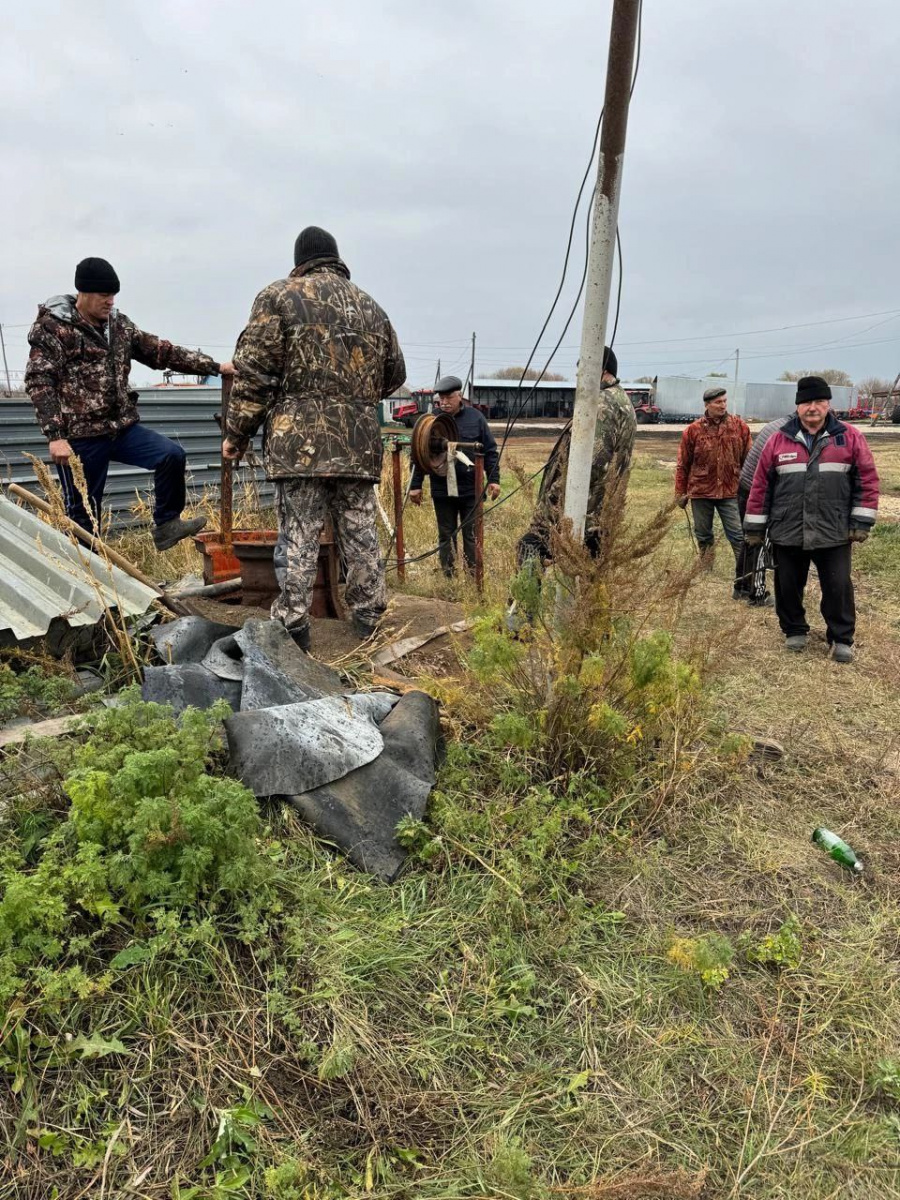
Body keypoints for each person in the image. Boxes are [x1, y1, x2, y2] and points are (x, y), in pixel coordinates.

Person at [223, 226, 406, 651]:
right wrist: (353, 399)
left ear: (300, 261)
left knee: (300, 531)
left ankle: (293, 624)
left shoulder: (279, 296)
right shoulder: (371, 307)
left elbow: (255, 372)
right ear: (337, 259)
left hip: (299, 442)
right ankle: (368, 618)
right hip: (357, 442)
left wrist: (237, 433)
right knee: (359, 530)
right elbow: (395, 374)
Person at [25, 257, 232, 547]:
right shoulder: (54, 329)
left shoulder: (118, 326)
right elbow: (39, 381)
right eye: (104, 296)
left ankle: (167, 525)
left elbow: (161, 352)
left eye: (113, 296)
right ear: (83, 293)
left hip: (120, 429)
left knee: (171, 455)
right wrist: (55, 436)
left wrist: (214, 367)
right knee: (83, 516)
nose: (110, 302)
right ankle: (87, 575)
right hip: (80, 437)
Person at [744, 376, 879, 662]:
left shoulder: (850, 437)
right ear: (798, 406)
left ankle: (841, 637)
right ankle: (794, 629)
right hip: (788, 527)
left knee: (838, 584)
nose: (812, 407)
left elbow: (867, 480)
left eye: (819, 401)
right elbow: (760, 486)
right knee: (788, 583)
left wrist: (861, 521)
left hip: (834, 529)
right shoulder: (777, 440)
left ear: (828, 404)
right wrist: (755, 526)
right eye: (806, 402)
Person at [516, 347, 636, 567]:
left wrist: (552, 503)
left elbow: (590, 465)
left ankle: (526, 600)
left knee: (530, 547)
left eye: (582, 371)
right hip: (600, 510)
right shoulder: (620, 400)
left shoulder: (602, 405)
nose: (579, 377)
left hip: (583, 512)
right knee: (586, 576)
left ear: (601, 371)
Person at [409, 376, 500, 577]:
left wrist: (494, 480)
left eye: (449, 397)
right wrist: (415, 485)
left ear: (460, 395)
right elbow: (418, 454)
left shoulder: (476, 418)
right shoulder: (431, 421)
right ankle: (448, 577)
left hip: (470, 490)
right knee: (446, 535)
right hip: (442, 489)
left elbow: (490, 451)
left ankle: (472, 577)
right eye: (441, 398)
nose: (444, 402)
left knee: (471, 535)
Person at [674, 386, 751, 593]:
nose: (723, 405)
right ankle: (706, 569)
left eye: (725, 401)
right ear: (707, 405)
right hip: (701, 491)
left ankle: (743, 573)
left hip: (730, 491)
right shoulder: (693, 430)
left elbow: (749, 459)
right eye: (718, 402)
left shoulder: (739, 427)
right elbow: (683, 464)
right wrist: (680, 493)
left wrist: (750, 489)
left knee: (737, 535)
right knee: (703, 533)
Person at [734, 415, 790, 605]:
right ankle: (756, 594)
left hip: (746, 487)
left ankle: (740, 587)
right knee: (759, 541)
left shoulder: (776, 423)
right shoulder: (787, 432)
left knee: (749, 539)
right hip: (758, 491)